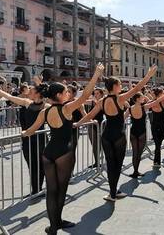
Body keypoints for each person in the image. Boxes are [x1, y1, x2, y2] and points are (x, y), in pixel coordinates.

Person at [22, 63, 104, 234]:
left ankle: (53, 226)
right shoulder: (66, 108)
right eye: (66, 92)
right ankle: (56, 223)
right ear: (59, 95)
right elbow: (86, 95)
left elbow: (30, 131)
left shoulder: (45, 112)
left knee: (51, 190)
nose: (68, 94)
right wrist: (96, 74)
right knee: (61, 190)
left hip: (48, 153)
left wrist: (23, 133)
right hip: (63, 154)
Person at [76, 65, 157, 202]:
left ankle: (113, 192)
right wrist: (148, 75)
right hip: (118, 136)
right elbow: (137, 89)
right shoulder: (119, 99)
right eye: (119, 84)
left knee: (110, 164)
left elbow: (90, 115)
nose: (121, 86)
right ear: (114, 86)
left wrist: (77, 124)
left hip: (106, 136)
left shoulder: (102, 101)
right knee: (117, 166)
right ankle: (113, 193)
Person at [0, 83, 50, 196]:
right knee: (31, 164)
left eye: (32, 90)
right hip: (27, 138)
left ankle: (41, 189)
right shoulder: (27, 103)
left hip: (40, 139)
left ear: (38, 94)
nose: (29, 91)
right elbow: (11, 97)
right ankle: (36, 189)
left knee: (41, 164)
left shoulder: (47, 107)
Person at [125, 76, 164, 177]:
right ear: (137, 99)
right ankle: (137, 170)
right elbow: (159, 100)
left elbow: (122, 119)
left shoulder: (129, 109)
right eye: (141, 97)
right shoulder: (144, 106)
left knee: (135, 152)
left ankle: (135, 171)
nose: (144, 98)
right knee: (139, 152)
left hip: (133, 131)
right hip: (142, 132)